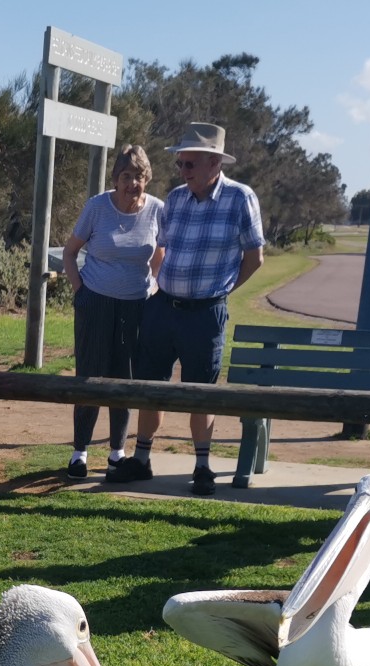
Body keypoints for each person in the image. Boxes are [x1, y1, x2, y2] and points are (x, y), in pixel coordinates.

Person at [121, 123, 265, 493]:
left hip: (206, 313)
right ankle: (141, 458)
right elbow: (163, 248)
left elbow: (255, 256)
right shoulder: (177, 199)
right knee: (151, 385)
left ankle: (202, 465)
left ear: (215, 162)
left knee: (201, 390)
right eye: (181, 164)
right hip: (164, 307)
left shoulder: (240, 197)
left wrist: (223, 290)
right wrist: (156, 286)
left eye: (190, 165)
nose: (183, 172)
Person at [62, 145, 163, 480]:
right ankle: (79, 452)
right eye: (126, 176)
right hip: (95, 302)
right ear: (116, 179)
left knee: (125, 379)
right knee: (90, 375)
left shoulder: (156, 210)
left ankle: (117, 452)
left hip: (137, 306)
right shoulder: (97, 206)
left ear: (147, 179)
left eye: (138, 176)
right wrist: (81, 292)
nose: (132, 183)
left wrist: (153, 287)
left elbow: (159, 254)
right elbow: (70, 251)